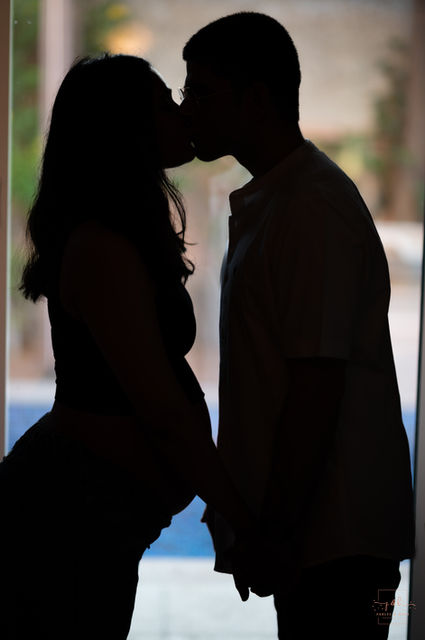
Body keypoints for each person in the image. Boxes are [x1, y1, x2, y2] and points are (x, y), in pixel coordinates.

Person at [0, 54, 261, 640]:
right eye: (165, 102)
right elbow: (162, 411)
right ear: (128, 129)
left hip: (90, 520)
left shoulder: (118, 235)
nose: (181, 111)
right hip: (65, 522)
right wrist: (241, 516)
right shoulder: (101, 248)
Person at [181, 12, 416, 639]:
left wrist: (275, 533)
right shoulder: (282, 197)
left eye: (201, 92)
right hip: (319, 535)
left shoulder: (310, 208)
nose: (186, 109)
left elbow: (316, 385)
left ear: (256, 100)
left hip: (338, 542)